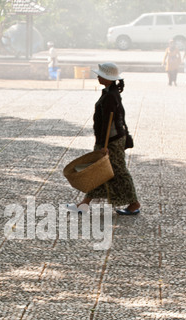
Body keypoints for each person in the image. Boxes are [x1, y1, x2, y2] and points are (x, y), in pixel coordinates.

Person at [69, 63, 140, 216]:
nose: (98, 76)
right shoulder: (110, 92)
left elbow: (109, 122)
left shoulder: (110, 96)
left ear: (108, 79)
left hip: (111, 141)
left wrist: (103, 145)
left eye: (101, 75)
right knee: (98, 171)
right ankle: (84, 204)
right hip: (111, 139)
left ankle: (134, 203)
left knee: (119, 171)